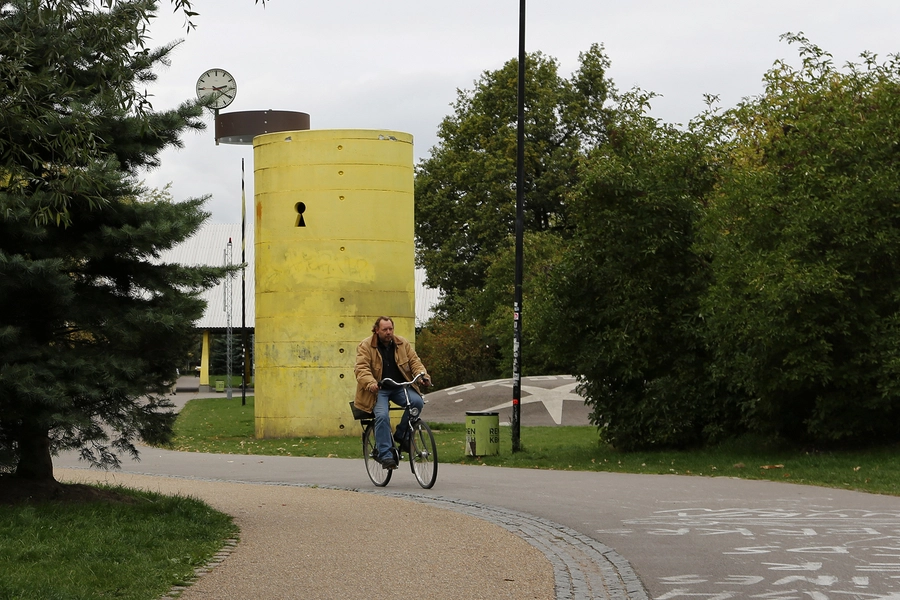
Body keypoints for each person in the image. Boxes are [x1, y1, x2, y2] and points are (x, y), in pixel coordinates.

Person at [354, 316, 431, 469]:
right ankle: (386, 455)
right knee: (382, 416)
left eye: (390, 329)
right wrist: (371, 383)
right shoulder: (366, 346)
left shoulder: (402, 343)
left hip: (399, 386)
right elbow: (361, 369)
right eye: (385, 329)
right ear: (377, 330)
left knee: (417, 402)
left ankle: (402, 434)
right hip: (379, 390)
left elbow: (415, 362)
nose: (388, 332)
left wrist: (422, 376)